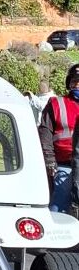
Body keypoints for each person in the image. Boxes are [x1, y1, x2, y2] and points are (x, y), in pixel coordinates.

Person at [38, 65, 79, 213]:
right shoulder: (56, 104)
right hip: (64, 165)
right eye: (74, 81)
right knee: (59, 200)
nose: (77, 84)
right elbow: (45, 132)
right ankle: (54, 228)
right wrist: (49, 160)